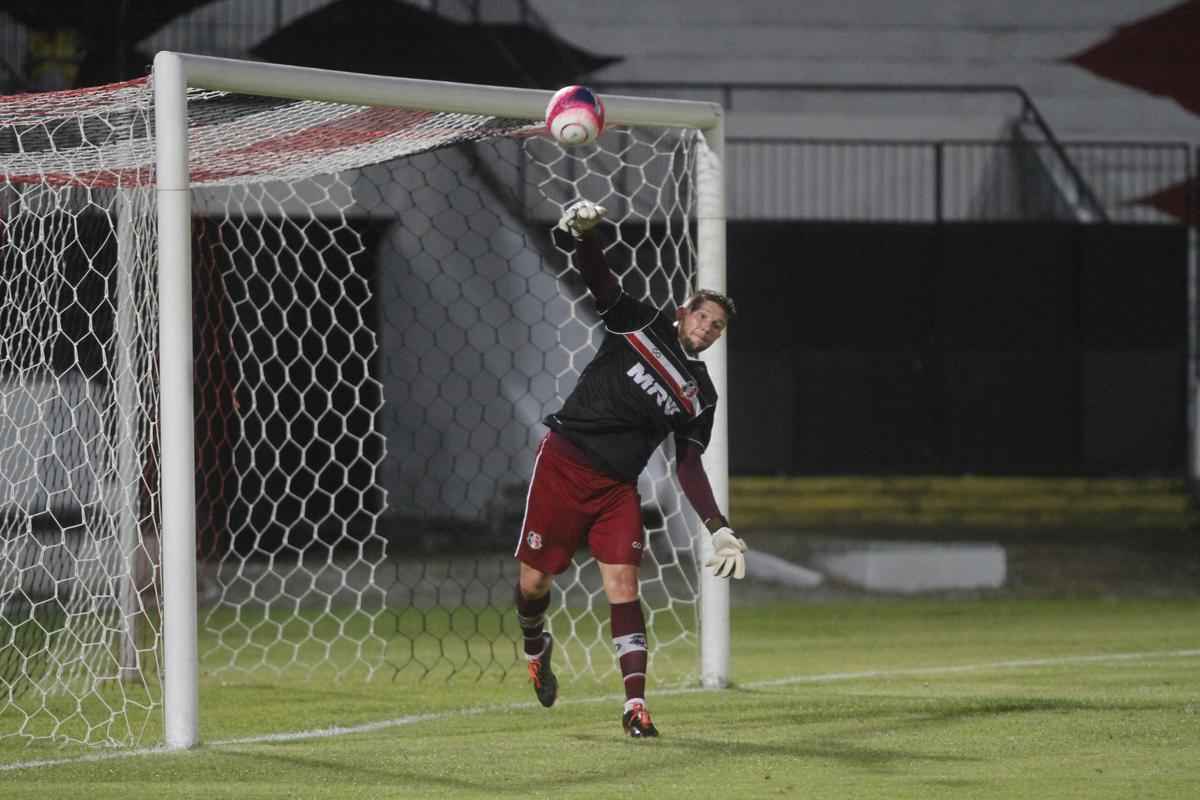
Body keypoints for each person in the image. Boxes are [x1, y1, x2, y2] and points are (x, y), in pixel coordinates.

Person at [512, 199, 749, 738]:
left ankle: (635, 707)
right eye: (703, 317)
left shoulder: (700, 394)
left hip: (617, 490)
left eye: (717, 327)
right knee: (534, 584)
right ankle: (535, 644)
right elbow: (601, 283)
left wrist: (719, 527)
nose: (708, 329)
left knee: (624, 586)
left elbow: (688, 464)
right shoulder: (638, 323)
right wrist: (586, 236)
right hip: (564, 466)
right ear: (684, 312)